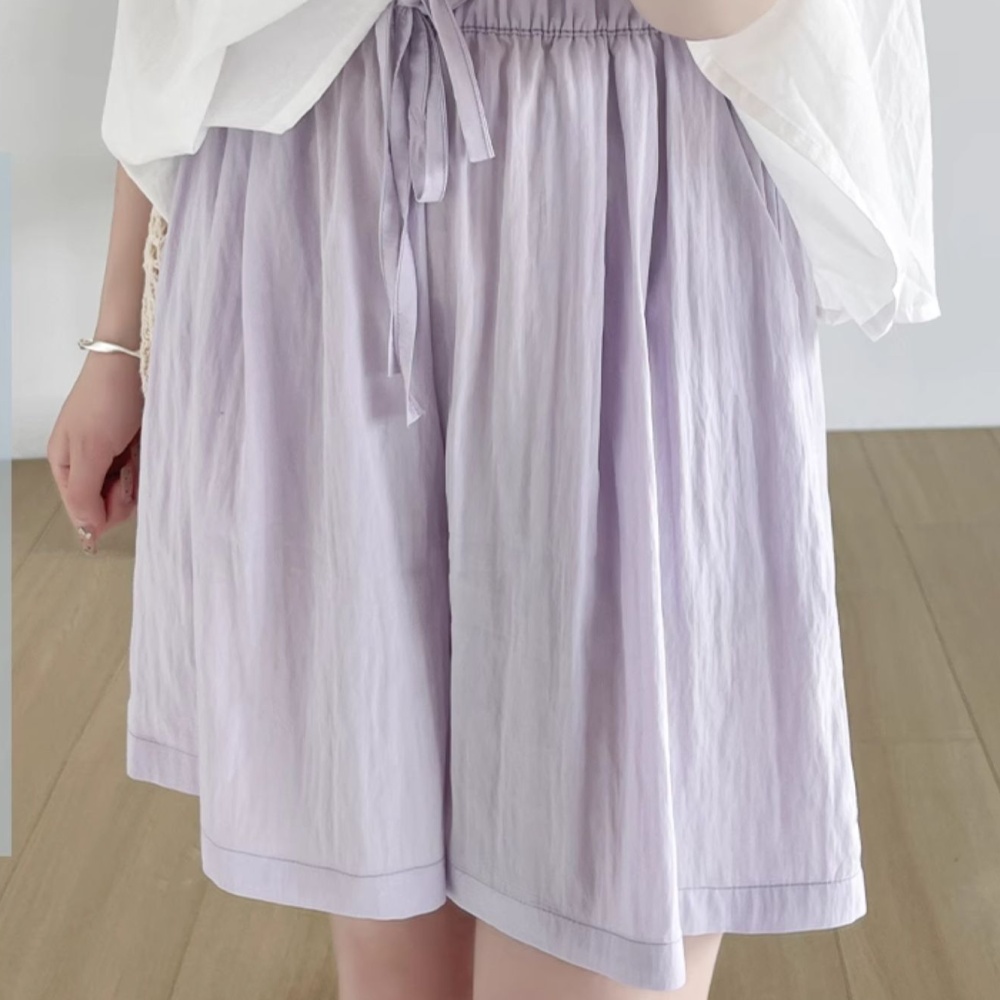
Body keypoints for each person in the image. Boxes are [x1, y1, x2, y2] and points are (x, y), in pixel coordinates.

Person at [46, 0, 938, 997]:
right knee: (390, 940)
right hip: (322, 175)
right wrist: (117, 333)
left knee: (600, 898)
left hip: (612, 190)